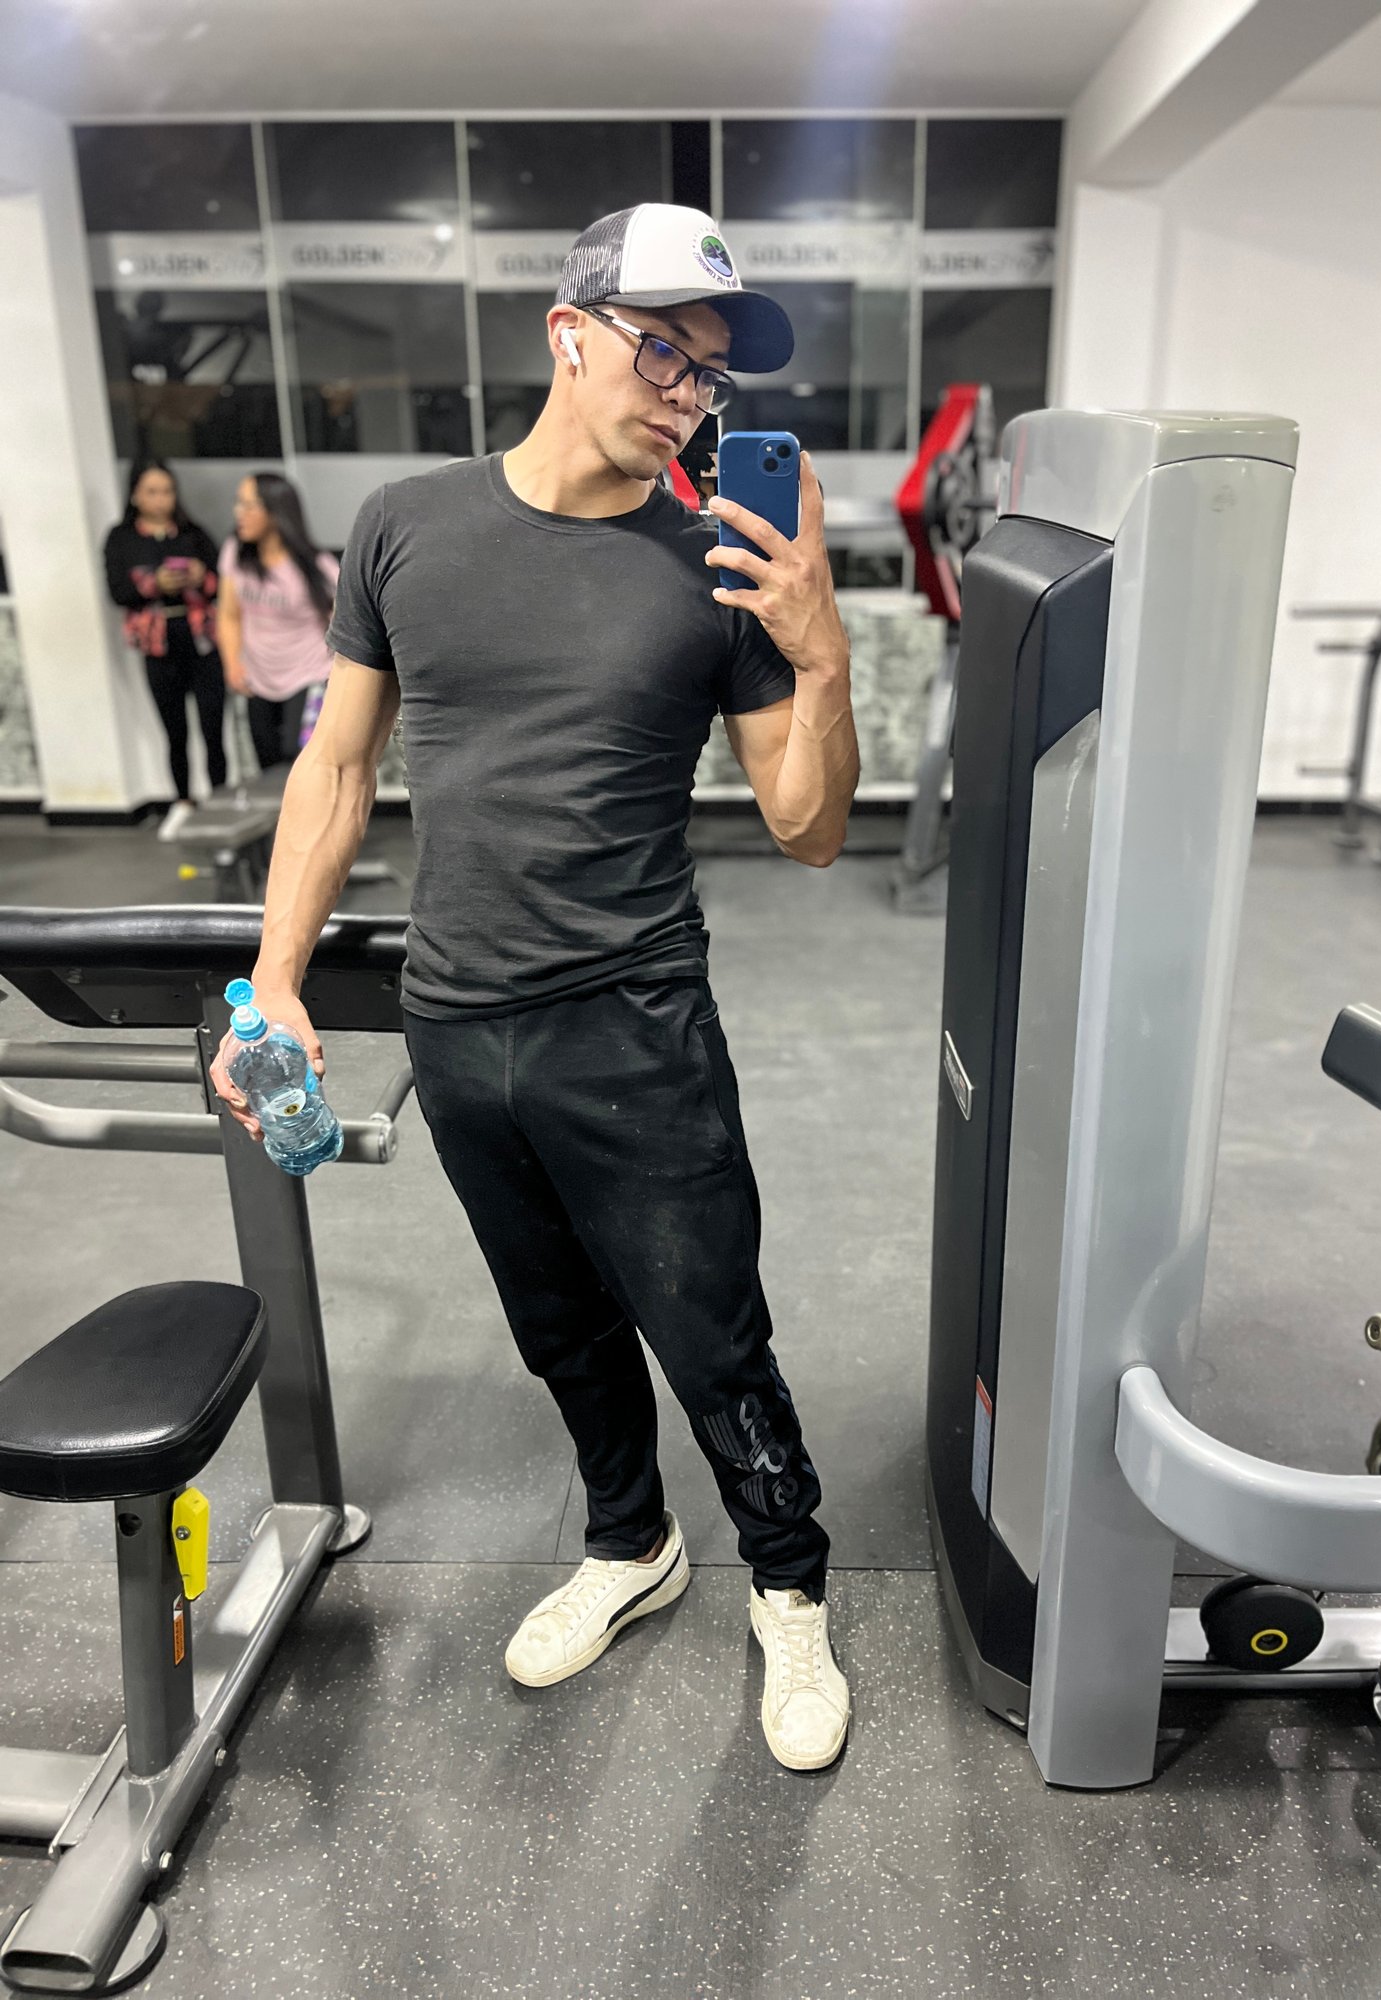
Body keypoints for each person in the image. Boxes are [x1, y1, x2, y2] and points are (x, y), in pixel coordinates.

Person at [211, 204, 860, 1771]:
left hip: (634, 1025)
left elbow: (811, 828)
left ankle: (790, 1586)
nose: (687, 395)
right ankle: (632, 1545)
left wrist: (822, 648)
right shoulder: (405, 526)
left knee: (711, 1334)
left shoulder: (715, 564)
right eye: (663, 352)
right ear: (568, 334)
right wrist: (275, 978)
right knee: (558, 1326)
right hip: (456, 1021)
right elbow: (338, 767)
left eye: (709, 373)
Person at [103, 456, 225, 841]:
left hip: (201, 641)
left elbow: (222, 582)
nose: (161, 499)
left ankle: (220, 800)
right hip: (158, 646)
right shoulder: (122, 539)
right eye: (152, 491)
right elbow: (118, 591)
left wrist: (199, 577)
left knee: (213, 728)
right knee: (175, 731)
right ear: (135, 495)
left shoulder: (193, 534)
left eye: (167, 491)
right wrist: (155, 582)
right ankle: (182, 800)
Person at [218, 471, 339, 770]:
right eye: (238, 504)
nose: (239, 513)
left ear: (275, 511)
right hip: (259, 678)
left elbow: (345, 626)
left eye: (249, 506)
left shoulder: (317, 566)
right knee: (268, 762)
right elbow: (229, 615)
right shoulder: (235, 554)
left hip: (308, 675)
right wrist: (232, 663)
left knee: (301, 762)